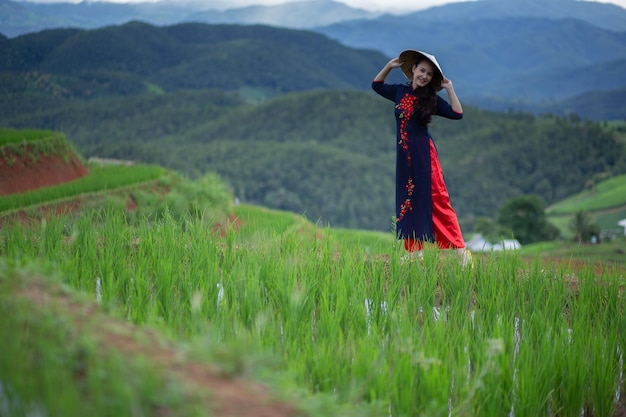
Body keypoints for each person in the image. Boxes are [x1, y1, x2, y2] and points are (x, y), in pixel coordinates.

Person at [371, 49, 472, 268]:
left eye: (429, 74)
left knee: (438, 199)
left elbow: (457, 113)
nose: (424, 76)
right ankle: (413, 252)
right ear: (413, 69)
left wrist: (450, 88)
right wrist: (389, 66)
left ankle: (461, 252)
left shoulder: (431, 99)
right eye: (422, 70)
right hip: (405, 157)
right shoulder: (399, 91)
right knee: (409, 200)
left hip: (424, 156)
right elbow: (377, 85)